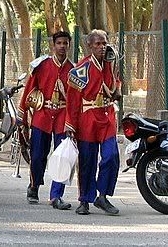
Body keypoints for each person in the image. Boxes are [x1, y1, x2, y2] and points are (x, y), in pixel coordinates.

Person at [65, 29, 121, 216]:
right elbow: (73, 100)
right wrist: (70, 125)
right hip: (88, 118)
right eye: (98, 44)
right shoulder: (82, 69)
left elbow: (116, 86)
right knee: (87, 160)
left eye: (104, 43)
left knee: (111, 156)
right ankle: (84, 200)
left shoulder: (110, 64)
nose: (102, 47)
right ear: (89, 46)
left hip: (107, 117)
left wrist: (116, 84)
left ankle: (103, 196)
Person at [17, 31, 74, 209]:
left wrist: (72, 123)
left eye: (65, 43)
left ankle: (56, 195)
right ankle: (34, 186)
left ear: (69, 46)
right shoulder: (41, 66)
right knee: (38, 155)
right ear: (53, 45)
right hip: (42, 116)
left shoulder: (74, 70)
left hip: (63, 118)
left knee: (63, 157)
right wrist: (22, 116)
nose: (62, 46)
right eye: (59, 43)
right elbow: (29, 91)